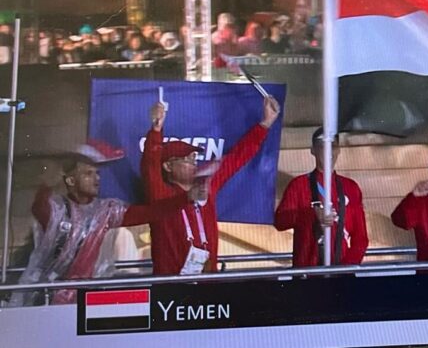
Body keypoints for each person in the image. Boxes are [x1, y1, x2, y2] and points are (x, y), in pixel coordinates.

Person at [10, 145, 196, 306]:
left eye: (97, 173)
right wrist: (46, 184)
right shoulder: (56, 209)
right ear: (71, 180)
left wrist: (185, 199)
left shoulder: (106, 211)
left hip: (81, 297)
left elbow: (149, 213)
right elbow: (39, 208)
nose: (97, 179)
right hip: (42, 297)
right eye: (88, 174)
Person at [142, 95, 280, 275]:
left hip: (208, 283)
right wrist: (156, 130)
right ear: (168, 166)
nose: (193, 163)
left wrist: (266, 123)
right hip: (172, 287)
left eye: (194, 158)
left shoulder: (206, 187)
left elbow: (237, 157)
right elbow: (150, 166)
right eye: (185, 158)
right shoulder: (161, 194)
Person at [274, 128, 368, 267]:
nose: (328, 150)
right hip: (307, 275)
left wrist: (347, 267)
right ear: (313, 150)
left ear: (339, 150)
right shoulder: (299, 185)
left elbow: (361, 238)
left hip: (342, 276)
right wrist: (311, 214)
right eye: (323, 146)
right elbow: (280, 221)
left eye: (333, 146)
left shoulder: (350, 187)